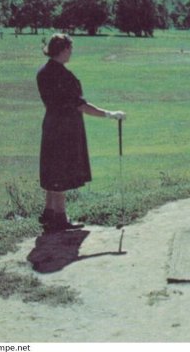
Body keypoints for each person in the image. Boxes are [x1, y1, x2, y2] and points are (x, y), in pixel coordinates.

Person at [36, 34, 126, 233]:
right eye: (70, 49)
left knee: (52, 169)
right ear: (64, 49)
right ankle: (59, 218)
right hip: (65, 128)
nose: (71, 53)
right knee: (61, 170)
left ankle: (49, 212)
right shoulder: (63, 76)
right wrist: (110, 114)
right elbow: (81, 105)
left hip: (51, 124)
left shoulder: (43, 71)